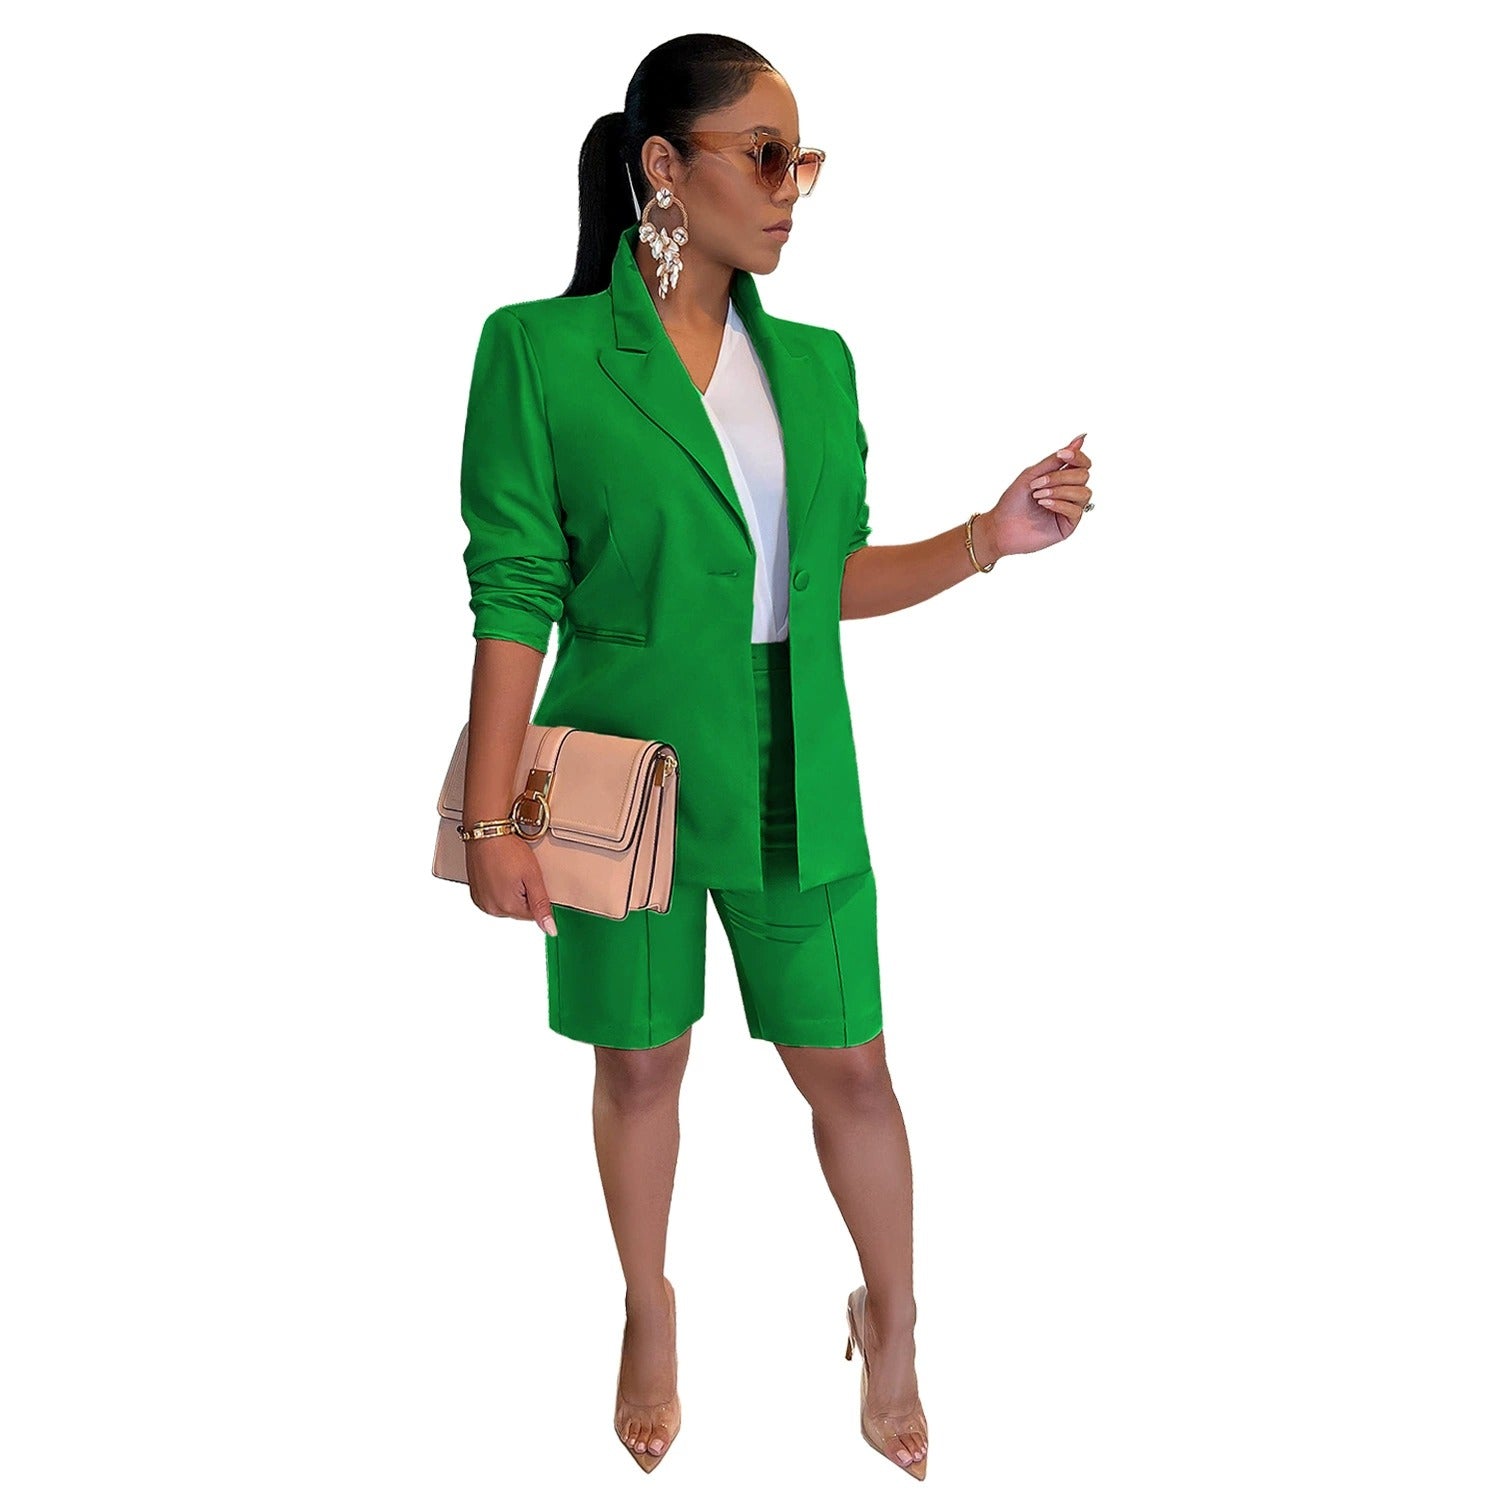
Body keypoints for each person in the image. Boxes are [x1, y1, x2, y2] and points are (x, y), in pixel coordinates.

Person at [453, 32, 1094, 1480]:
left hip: (799, 759)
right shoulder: (539, 350)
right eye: (763, 155)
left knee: (853, 1070)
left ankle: (894, 1318)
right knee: (640, 1066)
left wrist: (989, 539)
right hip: (624, 770)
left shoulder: (814, 363)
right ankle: (649, 1303)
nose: (791, 189)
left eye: (802, 160)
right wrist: (492, 819)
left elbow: (828, 580)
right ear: (662, 167)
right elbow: (514, 590)